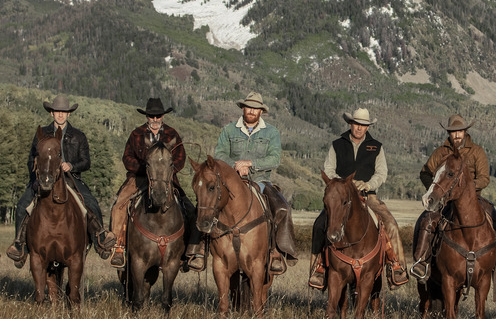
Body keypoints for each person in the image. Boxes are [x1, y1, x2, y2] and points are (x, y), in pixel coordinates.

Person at [411, 114, 496, 286]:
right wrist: (435, 191)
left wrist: (466, 189)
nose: (456, 135)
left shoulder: (477, 151)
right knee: (426, 221)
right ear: (449, 133)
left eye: (460, 131)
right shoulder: (441, 152)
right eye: (453, 132)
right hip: (445, 200)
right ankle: (422, 263)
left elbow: (485, 178)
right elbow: (425, 173)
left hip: (474, 199)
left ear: (465, 131)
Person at [6, 94, 116, 267]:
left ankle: (100, 240)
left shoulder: (78, 136)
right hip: (45, 178)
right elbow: (31, 160)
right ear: (52, 113)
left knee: (90, 202)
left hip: (71, 178)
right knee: (22, 206)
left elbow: (86, 161)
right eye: (57, 111)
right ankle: (20, 246)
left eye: (64, 112)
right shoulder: (41, 134)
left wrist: (71, 166)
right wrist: (36, 178)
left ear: (69, 114)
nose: (60, 115)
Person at [308, 108, 409, 290]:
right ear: (350, 124)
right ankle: (319, 268)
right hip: (341, 197)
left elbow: (381, 173)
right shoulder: (337, 144)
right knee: (319, 225)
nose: (359, 128)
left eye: (363, 125)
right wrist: (344, 184)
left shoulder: (376, 146)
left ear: (368, 126)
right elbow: (328, 169)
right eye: (357, 124)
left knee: (390, 224)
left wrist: (368, 185)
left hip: (367, 196)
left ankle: (396, 266)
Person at [108, 98, 205, 270]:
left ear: (162, 116)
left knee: (190, 210)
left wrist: (165, 172)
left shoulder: (172, 134)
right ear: (147, 116)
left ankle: (192, 252)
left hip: (167, 179)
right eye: (151, 116)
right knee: (119, 205)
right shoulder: (136, 134)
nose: (155, 119)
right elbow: (127, 158)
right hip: (138, 178)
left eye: (158, 116)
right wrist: (145, 169)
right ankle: (118, 247)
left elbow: (180, 158)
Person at [214, 92, 297, 274]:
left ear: (261, 111)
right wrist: (235, 165)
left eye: (255, 108)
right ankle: (196, 250)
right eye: (249, 107)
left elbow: (274, 159)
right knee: (206, 203)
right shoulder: (229, 130)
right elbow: (219, 155)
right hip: (230, 181)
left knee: (282, 208)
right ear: (243, 108)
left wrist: (250, 164)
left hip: (260, 181)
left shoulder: (272, 132)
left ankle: (276, 252)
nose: (251, 111)